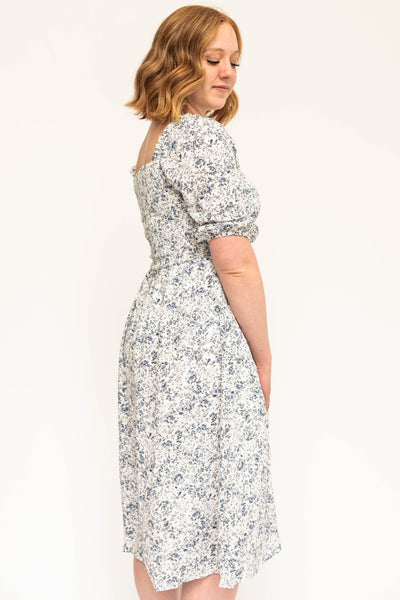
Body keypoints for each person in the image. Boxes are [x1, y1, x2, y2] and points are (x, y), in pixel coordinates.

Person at [118, 5, 282, 599]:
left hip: (156, 323)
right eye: (212, 59)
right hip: (200, 331)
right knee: (211, 504)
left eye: (234, 61)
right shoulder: (199, 137)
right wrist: (263, 357)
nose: (227, 72)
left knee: (165, 504)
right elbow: (233, 259)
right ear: (177, 58)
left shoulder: (156, 138)